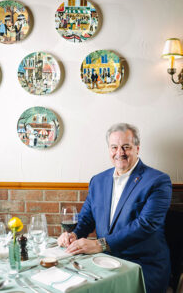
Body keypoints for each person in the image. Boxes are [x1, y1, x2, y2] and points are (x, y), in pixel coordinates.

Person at [58, 123, 172, 293]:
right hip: (102, 261)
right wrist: (74, 234)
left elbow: (145, 225)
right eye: (114, 147)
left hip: (142, 266)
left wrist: (101, 244)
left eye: (126, 147)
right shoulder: (98, 180)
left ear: (137, 148)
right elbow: (86, 218)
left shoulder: (158, 180)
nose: (120, 153)